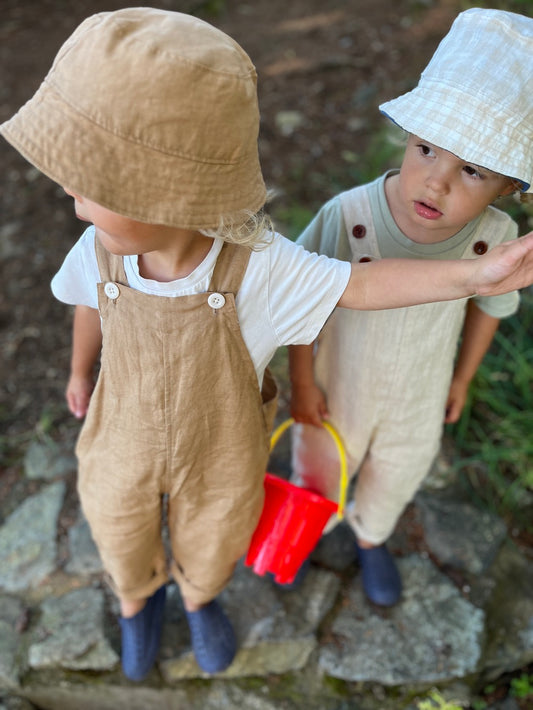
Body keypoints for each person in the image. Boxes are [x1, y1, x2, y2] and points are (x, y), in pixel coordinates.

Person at [2, 7, 533, 682]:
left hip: (221, 444)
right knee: (114, 518)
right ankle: (137, 601)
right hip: (121, 431)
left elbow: (357, 286)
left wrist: (473, 275)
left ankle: (199, 596)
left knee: (217, 526)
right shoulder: (97, 247)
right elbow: (89, 306)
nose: (70, 192)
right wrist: (80, 372)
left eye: (92, 183)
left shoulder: (260, 265)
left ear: (166, 193)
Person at [287, 7, 533, 607]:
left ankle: (372, 536)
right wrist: (299, 383)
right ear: (407, 135)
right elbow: (297, 302)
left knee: (398, 470)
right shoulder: (349, 216)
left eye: (471, 169)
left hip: (421, 389)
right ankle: (308, 525)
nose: (436, 181)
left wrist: (463, 379)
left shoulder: (495, 239)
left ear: (508, 187)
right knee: (321, 462)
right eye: (427, 149)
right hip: (337, 381)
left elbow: (489, 310)